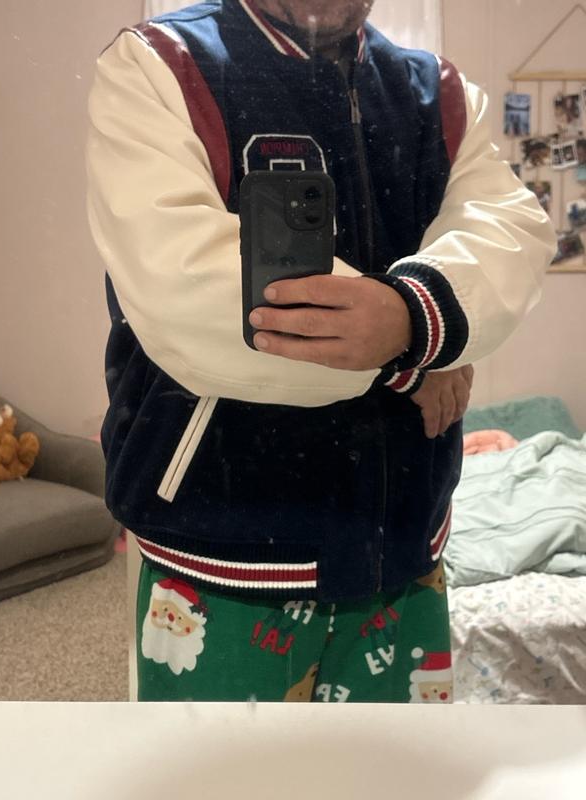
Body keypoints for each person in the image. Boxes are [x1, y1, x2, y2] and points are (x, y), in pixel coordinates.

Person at [86, 0, 556, 703]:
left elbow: (508, 233)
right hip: (224, 550)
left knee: (397, 761)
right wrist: (409, 353)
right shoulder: (161, 65)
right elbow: (181, 286)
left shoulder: (439, 91)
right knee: (222, 765)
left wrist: (410, 321)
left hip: (404, 543)